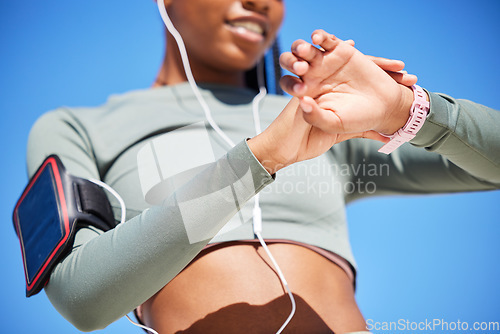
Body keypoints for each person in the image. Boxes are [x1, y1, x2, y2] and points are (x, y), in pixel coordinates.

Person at [22, 1, 499, 333]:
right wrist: (262, 157)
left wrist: (405, 109)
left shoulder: (326, 119)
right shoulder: (78, 127)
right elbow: (82, 297)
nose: (260, 2)